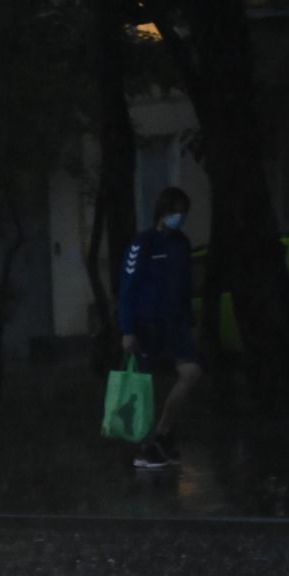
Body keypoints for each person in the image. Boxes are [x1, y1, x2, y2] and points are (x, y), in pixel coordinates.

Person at [118, 186, 201, 470]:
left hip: (175, 323)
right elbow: (127, 289)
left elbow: (185, 284)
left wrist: (189, 317)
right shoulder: (144, 243)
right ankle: (147, 447)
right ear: (163, 211)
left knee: (190, 373)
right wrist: (127, 329)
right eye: (175, 211)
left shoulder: (181, 243)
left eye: (183, 212)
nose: (180, 216)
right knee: (146, 385)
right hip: (147, 324)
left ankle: (163, 433)